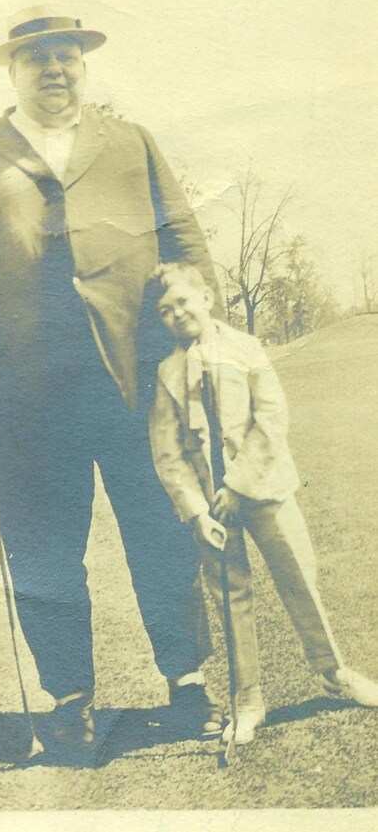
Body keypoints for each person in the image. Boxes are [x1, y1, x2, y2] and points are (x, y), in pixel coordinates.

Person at [0, 6, 226, 748]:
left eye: (67, 56)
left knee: (161, 528)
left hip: (136, 375)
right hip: (21, 390)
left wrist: (198, 335)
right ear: (11, 70)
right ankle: (69, 700)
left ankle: (187, 684)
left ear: (84, 65)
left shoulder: (131, 142)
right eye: (36, 58)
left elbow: (183, 236)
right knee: (44, 546)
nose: (54, 69)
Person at [149, 261, 378, 745]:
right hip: (212, 510)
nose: (176, 314)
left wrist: (236, 486)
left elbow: (271, 419)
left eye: (183, 302)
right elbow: (167, 453)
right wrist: (197, 509)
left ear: (206, 297)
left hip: (262, 487)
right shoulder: (168, 372)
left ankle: (333, 671)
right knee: (231, 599)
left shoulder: (245, 349)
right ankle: (247, 700)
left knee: (299, 578)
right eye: (165, 311)